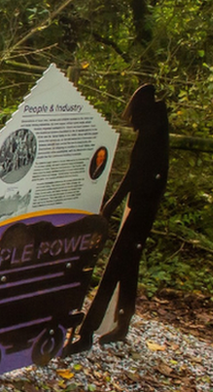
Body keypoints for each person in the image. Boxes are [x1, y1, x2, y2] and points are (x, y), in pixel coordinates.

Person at [66, 85, 168, 354]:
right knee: (129, 268)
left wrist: (111, 206)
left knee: (113, 270)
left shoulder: (153, 137)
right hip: (142, 208)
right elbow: (136, 175)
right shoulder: (154, 132)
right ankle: (123, 323)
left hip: (142, 210)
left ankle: (87, 333)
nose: (132, 122)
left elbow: (135, 176)